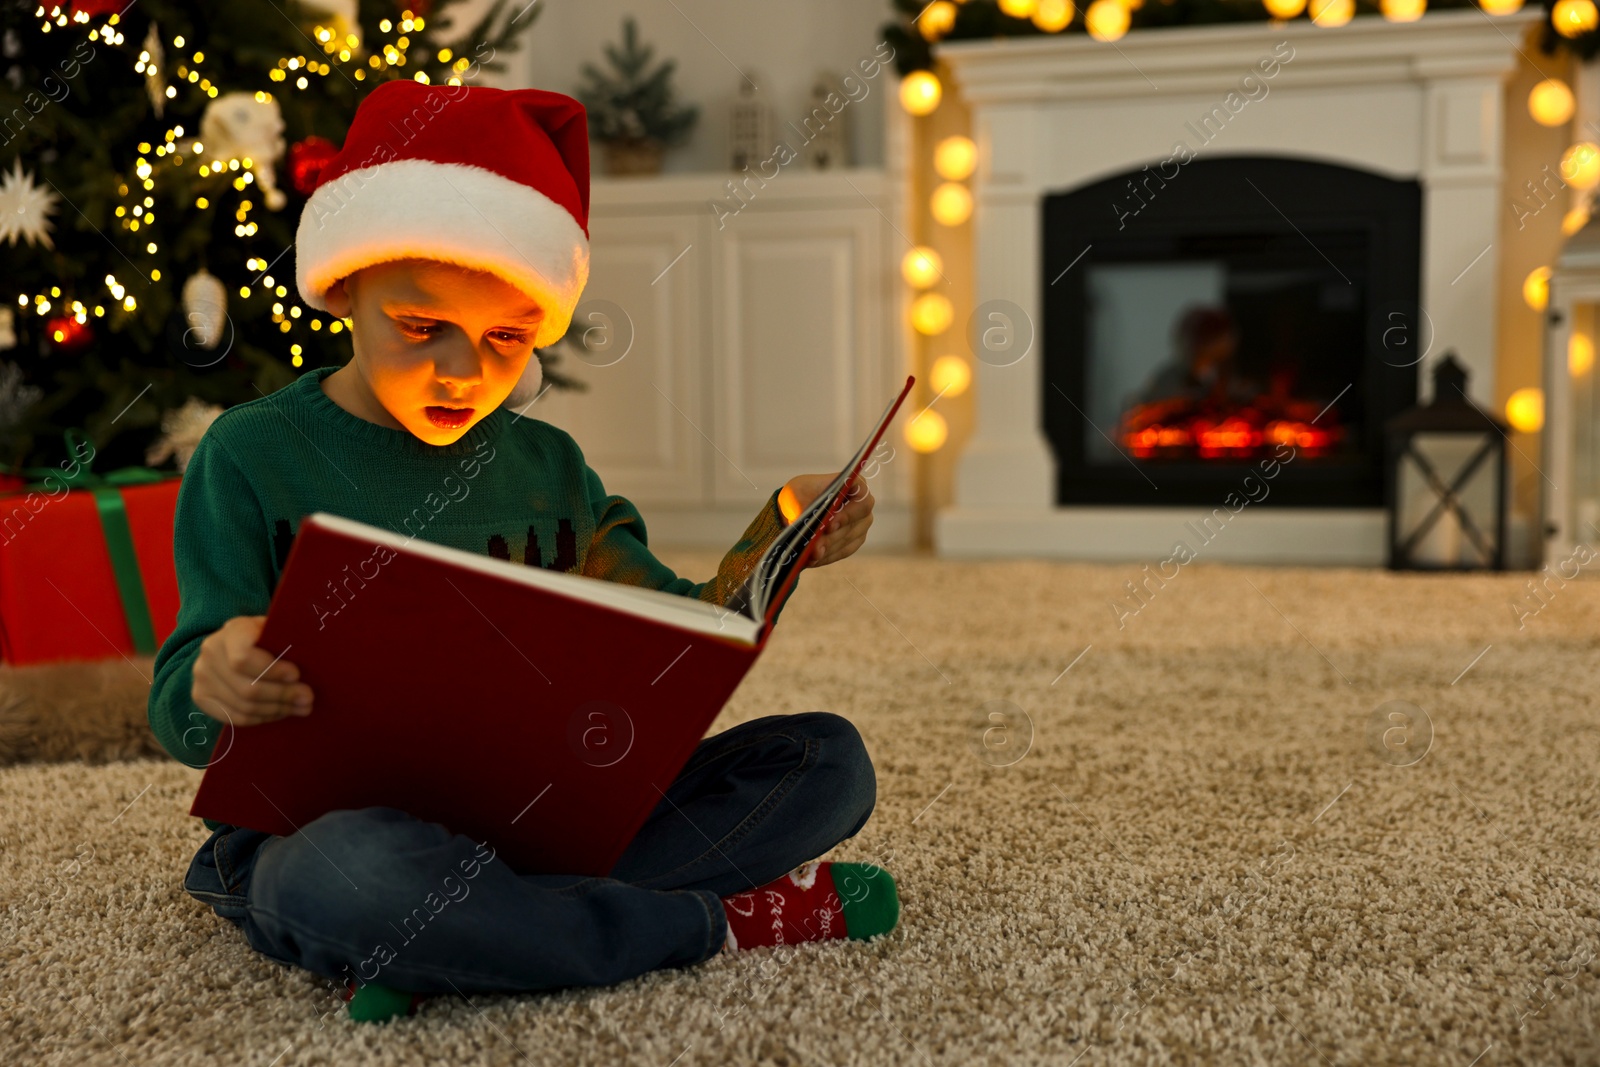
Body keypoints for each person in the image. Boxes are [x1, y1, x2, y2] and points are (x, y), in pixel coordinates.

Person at [145, 80, 898, 1024]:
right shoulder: (250, 455)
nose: (462, 372)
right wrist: (212, 682)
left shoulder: (550, 466)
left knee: (828, 762)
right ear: (343, 286)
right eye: (422, 328)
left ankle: (464, 937)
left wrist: (783, 536)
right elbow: (181, 710)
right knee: (353, 878)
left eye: (505, 339)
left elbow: (672, 633)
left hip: (548, 824)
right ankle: (709, 925)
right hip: (329, 834)